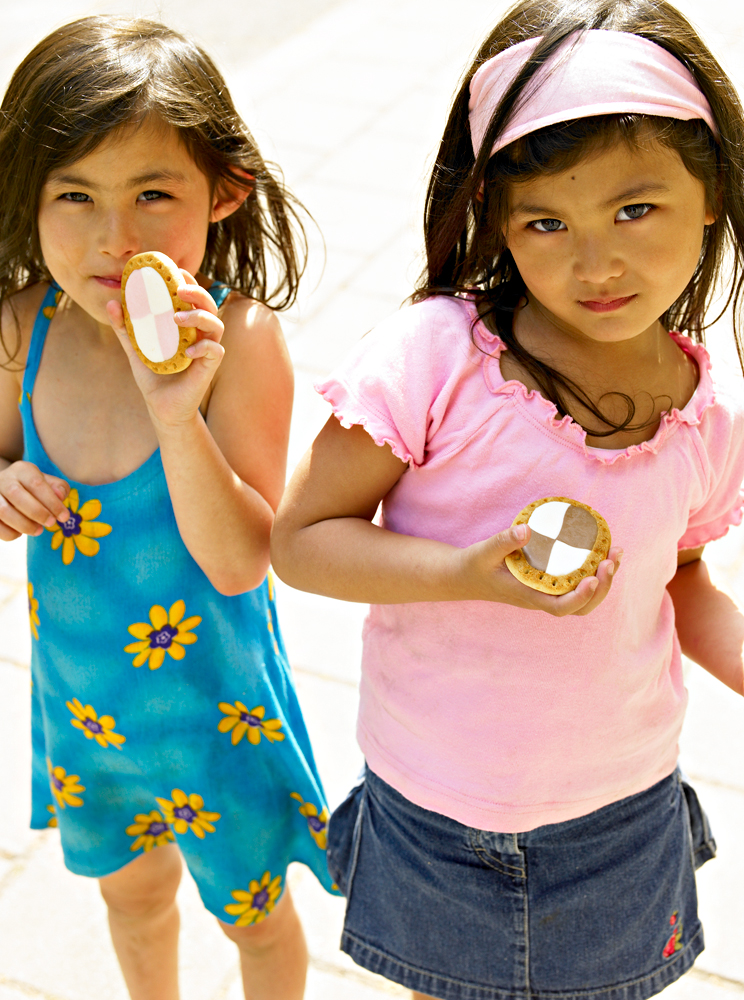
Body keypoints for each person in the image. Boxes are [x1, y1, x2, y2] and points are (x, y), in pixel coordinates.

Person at [270, 1, 744, 998]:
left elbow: (683, 578)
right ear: (494, 214)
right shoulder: (436, 358)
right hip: (437, 805)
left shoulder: (703, 413)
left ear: (710, 194)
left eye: (634, 208)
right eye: (545, 221)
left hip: (622, 811)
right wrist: (466, 572)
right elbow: (304, 540)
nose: (596, 260)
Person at [0, 17, 335, 1000]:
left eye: (154, 193)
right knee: (133, 900)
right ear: (29, 197)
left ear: (221, 192)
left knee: (257, 918)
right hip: (87, 710)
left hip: (216, 716)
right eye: (76, 197)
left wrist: (175, 411)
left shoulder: (239, 337)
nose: (117, 238)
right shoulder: (21, 329)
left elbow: (241, 560)